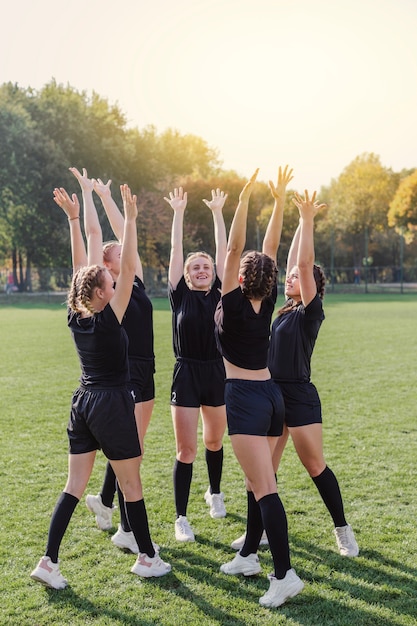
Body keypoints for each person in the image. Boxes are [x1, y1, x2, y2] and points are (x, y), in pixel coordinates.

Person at [30, 177, 170, 590]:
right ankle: (147, 556)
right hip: (111, 403)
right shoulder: (113, 313)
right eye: (108, 282)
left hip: (82, 403)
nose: (116, 280)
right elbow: (126, 267)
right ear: (102, 292)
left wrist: (75, 220)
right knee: (131, 482)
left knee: (75, 485)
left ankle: (49, 561)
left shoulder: (77, 316)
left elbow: (81, 270)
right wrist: (129, 218)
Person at [214, 167, 305, 608]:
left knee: (264, 487)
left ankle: (284, 574)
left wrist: (245, 196)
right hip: (271, 398)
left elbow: (237, 246)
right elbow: (270, 247)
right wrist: (281, 198)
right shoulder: (268, 300)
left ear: (239, 275)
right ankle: (249, 554)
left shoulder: (231, 302)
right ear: (268, 280)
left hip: (247, 399)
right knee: (257, 482)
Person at [268, 190, 359, 557]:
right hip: (270, 394)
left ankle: (343, 529)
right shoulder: (284, 310)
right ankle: (257, 531)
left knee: (315, 465)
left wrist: (308, 220)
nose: (289, 278)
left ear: (314, 290)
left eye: (296, 278)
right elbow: (294, 262)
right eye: (287, 277)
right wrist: (294, 220)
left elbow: (303, 265)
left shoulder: (311, 312)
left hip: (300, 396)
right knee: (263, 471)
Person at [83, 175, 156, 556]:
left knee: (134, 448)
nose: (123, 249)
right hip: (125, 372)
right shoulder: (113, 292)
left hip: (148, 369)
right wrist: (93, 200)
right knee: (132, 451)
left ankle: (107, 502)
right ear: (107, 265)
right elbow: (102, 236)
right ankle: (127, 528)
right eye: (116, 250)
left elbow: (127, 235)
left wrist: (109, 197)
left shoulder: (137, 281)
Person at [164, 185, 228, 542]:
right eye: (195, 267)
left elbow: (223, 250)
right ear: (186, 275)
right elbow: (175, 250)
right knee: (186, 449)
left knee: (215, 441)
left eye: (206, 266)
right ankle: (181, 517)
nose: (201, 270)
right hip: (186, 372)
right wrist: (178, 212)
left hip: (217, 371)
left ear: (213, 272)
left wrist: (218, 213)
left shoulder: (220, 292)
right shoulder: (180, 295)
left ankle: (214, 493)